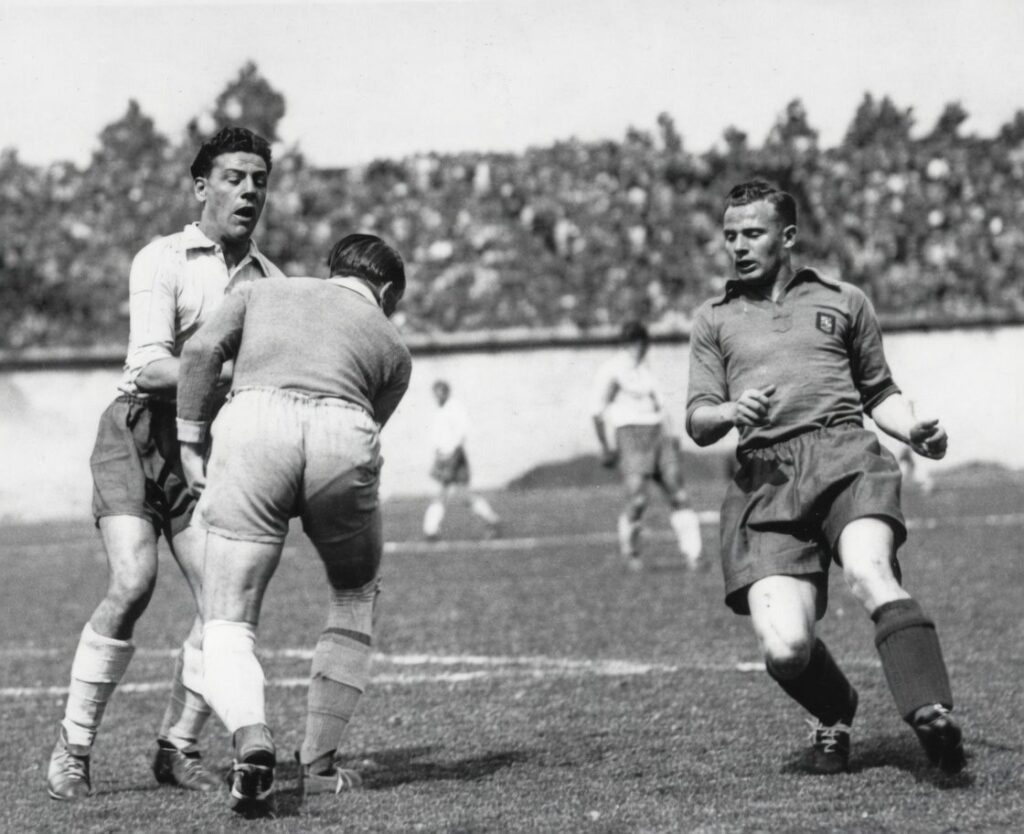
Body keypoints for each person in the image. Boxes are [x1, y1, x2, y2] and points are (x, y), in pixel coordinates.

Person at [685, 179, 965, 775]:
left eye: (752, 233)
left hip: (845, 459)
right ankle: (836, 710)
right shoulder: (713, 320)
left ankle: (931, 712)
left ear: (787, 237)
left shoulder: (845, 300)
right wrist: (731, 412)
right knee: (786, 649)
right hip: (765, 480)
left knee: (869, 571)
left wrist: (911, 428)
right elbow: (698, 419)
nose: (738, 245)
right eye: (730, 235)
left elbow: (880, 392)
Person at [47, 127, 283, 801]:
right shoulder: (164, 259)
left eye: (259, 179)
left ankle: (177, 745)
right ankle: (73, 746)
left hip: (206, 449)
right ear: (202, 187)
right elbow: (148, 367)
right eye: (235, 177)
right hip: (137, 436)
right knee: (134, 582)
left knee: (224, 606)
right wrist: (229, 372)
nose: (248, 190)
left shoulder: (271, 283)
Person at [175, 234, 412, 813]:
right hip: (343, 430)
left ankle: (252, 740)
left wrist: (189, 441)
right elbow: (367, 422)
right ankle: (320, 766)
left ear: (332, 269)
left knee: (228, 613)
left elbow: (203, 352)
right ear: (383, 290)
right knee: (355, 592)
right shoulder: (396, 348)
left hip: (255, 423)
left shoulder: (263, 290)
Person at [592, 321, 703, 571]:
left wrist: (673, 437)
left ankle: (693, 555)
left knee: (678, 492)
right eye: (633, 344)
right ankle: (631, 551)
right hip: (630, 435)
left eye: (639, 344)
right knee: (638, 499)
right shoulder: (611, 371)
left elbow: (662, 408)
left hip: (658, 434)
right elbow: (597, 412)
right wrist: (606, 446)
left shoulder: (647, 371)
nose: (637, 349)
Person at [421, 380, 502, 541]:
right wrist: (438, 455)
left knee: (444, 493)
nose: (438, 395)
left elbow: (460, 435)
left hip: (454, 457)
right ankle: (492, 519)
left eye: (441, 392)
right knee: (460, 494)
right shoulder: (440, 410)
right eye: (435, 392)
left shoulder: (454, 408)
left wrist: (453, 459)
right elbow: (439, 438)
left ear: (446, 392)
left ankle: (431, 529)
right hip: (443, 457)